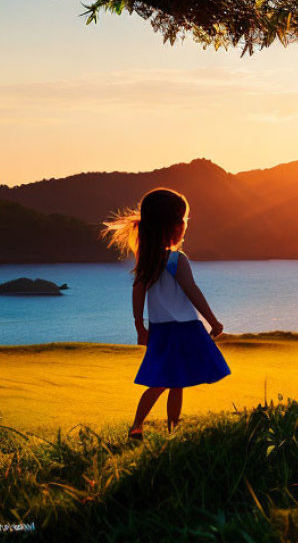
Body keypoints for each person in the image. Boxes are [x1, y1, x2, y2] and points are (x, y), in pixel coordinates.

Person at [105, 188, 230, 440]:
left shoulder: (147, 259)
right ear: (173, 226)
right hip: (183, 328)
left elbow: (137, 293)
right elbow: (192, 291)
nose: (184, 226)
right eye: (183, 220)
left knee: (169, 380)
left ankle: (151, 426)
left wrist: (140, 326)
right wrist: (213, 321)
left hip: (161, 329)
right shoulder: (176, 260)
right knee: (169, 381)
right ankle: (148, 426)